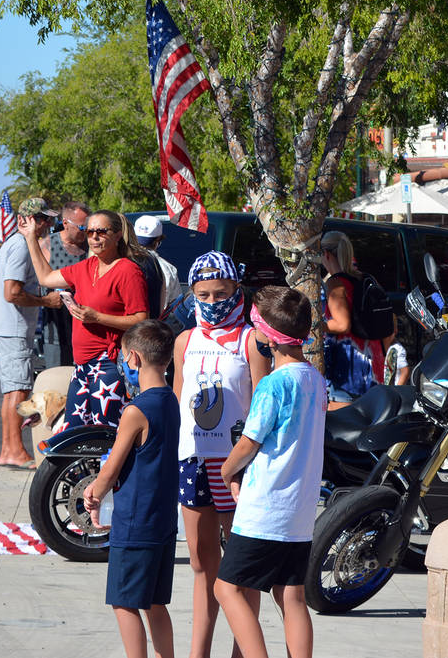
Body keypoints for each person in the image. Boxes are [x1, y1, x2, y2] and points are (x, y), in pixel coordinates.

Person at [214, 285, 326, 658]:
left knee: (225, 588)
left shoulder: (272, 386)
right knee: (290, 595)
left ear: (268, 336)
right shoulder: (315, 379)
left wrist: (227, 471)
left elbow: (249, 442)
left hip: (265, 508)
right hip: (299, 510)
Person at [173, 251, 269, 658]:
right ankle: (198, 653)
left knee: (241, 568)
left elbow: (263, 406)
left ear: (237, 291)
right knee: (201, 564)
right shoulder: (184, 340)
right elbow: (177, 398)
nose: (212, 302)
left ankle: (241, 652)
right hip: (192, 460)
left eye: (221, 293)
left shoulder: (252, 339)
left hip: (236, 465)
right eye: (203, 294)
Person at [83, 319, 181, 658]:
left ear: (134, 358)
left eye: (125, 358)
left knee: (125, 603)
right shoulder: (170, 400)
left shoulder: (136, 410)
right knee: (155, 602)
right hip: (163, 520)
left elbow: (111, 468)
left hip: (136, 522)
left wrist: (93, 491)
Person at [20, 209, 149, 429]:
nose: (95, 237)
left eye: (101, 231)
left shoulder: (128, 271)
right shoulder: (85, 267)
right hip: (81, 366)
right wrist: (31, 237)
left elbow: (141, 319)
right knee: (76, 435)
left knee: (106, 434)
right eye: (89, 232)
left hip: (109, 364)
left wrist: (97, 317)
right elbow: (46, 278)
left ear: (118, 235)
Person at [0, 197, 65, 470]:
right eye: (46, 218)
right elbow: (12, 293)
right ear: (33, 220)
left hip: (8, 327)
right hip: (12, 327)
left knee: (13, 391)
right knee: (17, 391)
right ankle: (14, 451)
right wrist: (46, 301)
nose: (50, 224)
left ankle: (10, 449)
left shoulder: (14, 243)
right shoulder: (20, 246)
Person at [320, 230, 385, 408]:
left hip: (348, 369)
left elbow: (342, 324)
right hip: (373, 363)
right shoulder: (365, 279)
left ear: (325, 254)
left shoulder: (336, 283)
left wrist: (316, 325)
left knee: (342, 430)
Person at [45, 201, 90, 366]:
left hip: (88, 333)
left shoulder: (92, 247)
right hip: (56, 332)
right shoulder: (47, 245)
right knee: (57, 387)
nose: (85, 232)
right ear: (65, 223)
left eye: (87, 227)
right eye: (81, 227)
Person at [134, 215, 180, 312]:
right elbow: (175, 306)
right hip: (155, 324)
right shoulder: (169, 269)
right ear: (157, 241)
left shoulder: (119, 262)